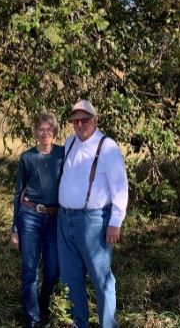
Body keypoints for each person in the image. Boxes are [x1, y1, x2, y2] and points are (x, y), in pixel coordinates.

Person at [58, 99, 129, 328]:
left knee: (102, 280)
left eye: (84, 120)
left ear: (94, 120)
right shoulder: (69, 143)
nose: (79, 124)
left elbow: (120, 186)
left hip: (93, 222)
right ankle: (81, 324)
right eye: (75, 121)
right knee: (71, 278)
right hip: (64, 220)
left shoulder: (107, 146)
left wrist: (115, 221)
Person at [11, 112, 66, 328]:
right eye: (41, 129)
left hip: (54, 218)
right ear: (35, 132)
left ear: (54, 132)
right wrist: (15, 228)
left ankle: (43, 307)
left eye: (49, 129)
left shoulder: (62, 153)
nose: (45, 133)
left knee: (53, 270)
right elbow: (18, 193)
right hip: (30, 216)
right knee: (30, 270)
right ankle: (33, 319)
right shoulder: (27, 157)